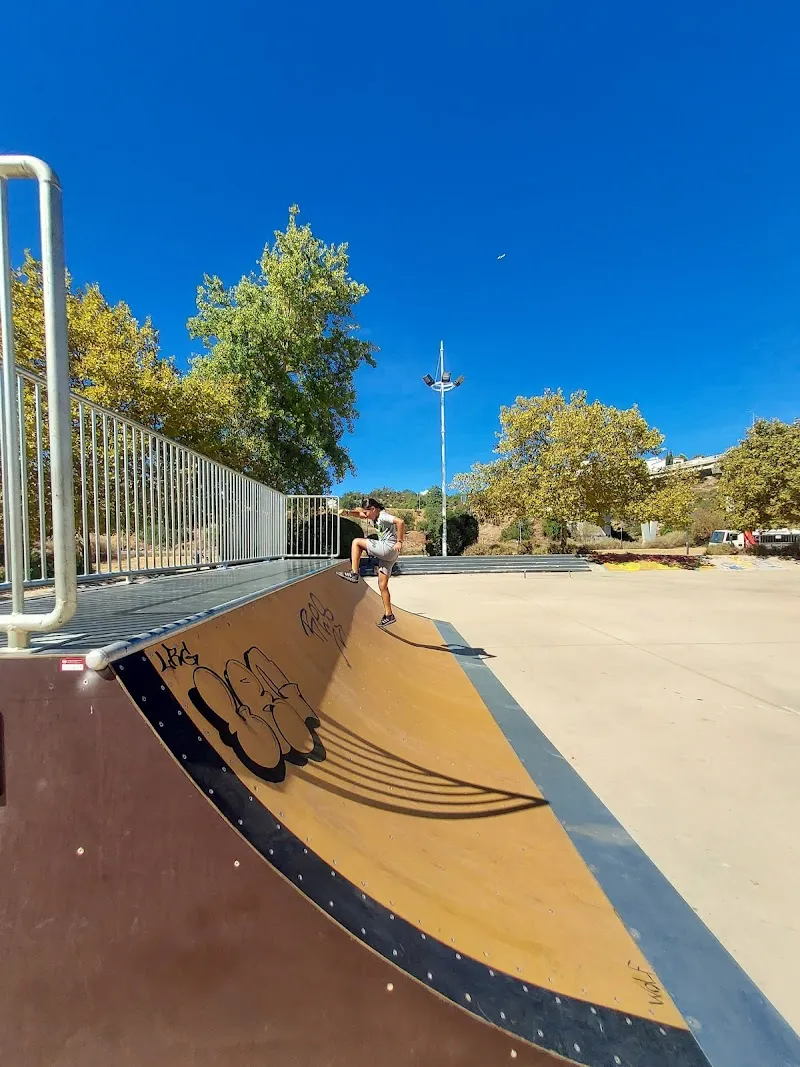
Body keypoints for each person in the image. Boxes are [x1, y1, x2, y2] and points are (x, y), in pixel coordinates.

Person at [338, 498, 405, 628]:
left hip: (388, 548)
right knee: (382, 585)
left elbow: (400, 521)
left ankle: (354, 573)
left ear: (373, 509)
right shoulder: (374, 516)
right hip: (389, 556)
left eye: (367, 512)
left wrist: (399, 541)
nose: (366, 516)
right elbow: (360, 515)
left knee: (356, 542)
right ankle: (389, 614)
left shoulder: (383, 516)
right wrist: (347, 512)